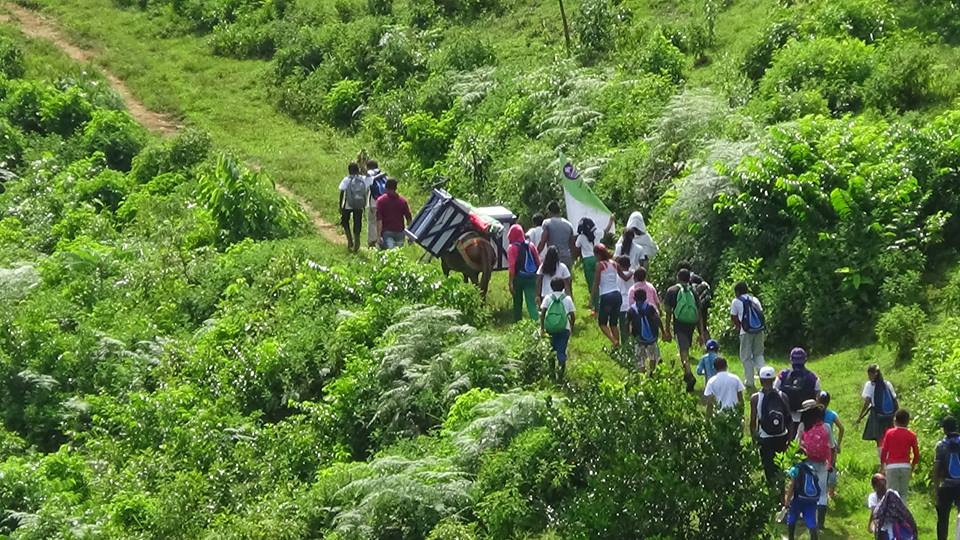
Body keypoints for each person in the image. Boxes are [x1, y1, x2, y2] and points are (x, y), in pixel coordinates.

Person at [664, 268, 705, 392]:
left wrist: (667, 330)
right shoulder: (693, 291)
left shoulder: (672, 290)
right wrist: (701, 333)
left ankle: (688, 374)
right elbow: (699, 313)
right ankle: (686, 374)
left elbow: (668, 312)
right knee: (685, 347)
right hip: (691, 323)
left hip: (679, 324)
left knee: (683, 350)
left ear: (678, 277)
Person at [750, 366, 792, 485]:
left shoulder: (755, 398)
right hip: (781, 436)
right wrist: (789, 439)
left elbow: (753, 421)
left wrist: (754, 440)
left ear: (761, 380)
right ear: (774, 379)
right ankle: (781, 494)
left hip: (765, 438)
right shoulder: (783, 395)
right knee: (780, 467)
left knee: (769, 468)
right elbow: (789, 419)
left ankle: (772, 493)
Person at [797, 400, 834, 530]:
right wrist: (831, 463)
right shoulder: (826, 427)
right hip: (823, 463)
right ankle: (821, 523)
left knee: (807, 491)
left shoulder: (803, 426)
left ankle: (807, 518)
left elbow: (797, 446)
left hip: (807, 463)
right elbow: (832, 446)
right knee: (822, 493)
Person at [775, 347, 821, 438]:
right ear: (805, 360)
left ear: (791, 359)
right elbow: (818, 398)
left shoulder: (782, 375)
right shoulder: (813, 377)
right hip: (806, 418)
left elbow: (775, 391)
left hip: (785, 417)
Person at [730, 281, 766, 389]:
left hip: (745, 332)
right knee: (758, 355)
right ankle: (765, 377)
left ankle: (749, 381)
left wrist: (738, 326)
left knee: (746, 357)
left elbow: (733, 317)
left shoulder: (736, 301)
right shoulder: (755, 299)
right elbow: (760, 313)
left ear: (737, 292)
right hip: (759, 330)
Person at [879, 409, 920, 503]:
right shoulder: (912, 435)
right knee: (903, 494)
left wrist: (882, 465)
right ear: (908, 421)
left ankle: (892, 515)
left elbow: (884, 450)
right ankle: (902, 515)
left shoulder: (889, 433)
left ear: (895, 420)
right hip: (905, 466)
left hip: (891, 466)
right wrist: (912, 466)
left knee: (892, 494)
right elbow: (916, 454)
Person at [857, 364, 898, 456]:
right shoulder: (887, 384)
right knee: (891, 435)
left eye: (869, 375)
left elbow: (867, 401)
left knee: (879, 438)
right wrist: (896, 414)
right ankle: (892, 455)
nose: (869, 377)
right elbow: (894, 399)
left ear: (873, 374)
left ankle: (882, 461)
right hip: (890, 415)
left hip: (877, 414)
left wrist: (860, 416)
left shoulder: (869, 385)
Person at [540, 277, 576, 380]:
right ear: (564, 287)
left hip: (550, 329)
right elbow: (573, 316)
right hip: (564, 329)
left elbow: (542, 314)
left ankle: (551, 374)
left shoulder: (547, 298)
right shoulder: (567, 299)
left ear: (551, 287)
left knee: (551, 351)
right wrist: (571, 327)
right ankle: (561, 375)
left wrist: (542, 328)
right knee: (561, 351)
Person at [784, 453, 823, 540]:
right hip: (812, 499)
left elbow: (791, 485)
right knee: (811, 521)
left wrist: (787, 499)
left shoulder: (796, 469)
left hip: (799, 499)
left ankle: (791, 537)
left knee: (792, 517)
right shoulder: (812, 468)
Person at [868, 473, 918, 540]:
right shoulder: (873, 497)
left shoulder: (892, 494)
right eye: (880, 481)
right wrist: (870, 525)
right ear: (874, 486)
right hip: (881, 524)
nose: (883, 483)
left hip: (895, 522)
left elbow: (900, 508)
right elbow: (874, 513)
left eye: (883, 480)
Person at [506, 224, 541, 322]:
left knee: (517, 302)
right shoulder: (530, 245)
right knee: (532, 302)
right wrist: (538, 278)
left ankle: (518, 323)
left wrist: (511, 282)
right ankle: (537, 322)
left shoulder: (512, 248)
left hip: (519, 278)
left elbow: (512, 267)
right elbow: (538, 262)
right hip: (532, 277)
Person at [934, 416, 960, 540]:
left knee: (943, 519)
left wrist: (936, 487)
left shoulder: (941, 445)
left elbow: (937, 467)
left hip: (946, 486)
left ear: (944, 429)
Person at [591, 244, 622, 349]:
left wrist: (592, 298)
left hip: (607, 295)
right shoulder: (614, 264)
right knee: (613, 323)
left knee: (602, 323)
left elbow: (596, 282)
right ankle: (617, 346)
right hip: (617, 295)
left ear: (598, 254)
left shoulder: (600, 265)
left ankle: (614, 341)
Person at [626, 287, 663, 373]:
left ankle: (642, 374)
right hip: (652, 338)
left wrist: (628, 335)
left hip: (638, 338)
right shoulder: (650, 307)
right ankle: (652, 373)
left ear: (634, 298)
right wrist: (663, 331)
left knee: (640, 359)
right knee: (653, 357)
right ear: (646, 298)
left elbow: (627, 324)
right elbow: (657, 319)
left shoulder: (631, 310)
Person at [339, 162, 371, 252]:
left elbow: (342, 192)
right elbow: (370, 179)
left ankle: (350, 240)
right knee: (357, 223)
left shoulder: (346, 179)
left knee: (345, 221)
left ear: (349, 170)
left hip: (348, 204)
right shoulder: (363, 179)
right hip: (359, 204)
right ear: (358, 170)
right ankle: (357, 242)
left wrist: (340, 206)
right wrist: (364, 171)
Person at [818, 391, 845, 499]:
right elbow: (842, 428)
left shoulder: (814, 414)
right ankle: (831, 492)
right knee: (832, 467)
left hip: (818, 445)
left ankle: (821, 490)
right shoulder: (832, 414)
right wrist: (838, 443)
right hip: (830, 445)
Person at [537, 202, 576, 270]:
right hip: (566, 258)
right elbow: (572, 244)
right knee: (566, 279)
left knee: (551, 279)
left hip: (552, 258)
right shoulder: (569, 224)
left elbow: (543, 242)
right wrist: (572, 259)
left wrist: (536, 254)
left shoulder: (547, 223)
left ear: (549, 212)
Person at [374, 178, 411, 249]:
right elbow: (409, 218)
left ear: (386, 187)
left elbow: (379, 219)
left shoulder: (381, 201)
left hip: (387, 232)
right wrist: (410, 235)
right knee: (398, 254)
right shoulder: (402, 201)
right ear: (396, 188)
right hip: (400, 232)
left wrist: (378, 236)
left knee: (391, 254)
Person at [575, 217, 599, 311]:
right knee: (599, 283)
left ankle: (595, 306)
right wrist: (611, 221)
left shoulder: (581, 237)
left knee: (591, 283)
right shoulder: (597, 233)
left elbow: (576, 245)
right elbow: (606, 230)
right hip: (597, 259)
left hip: (587, 260)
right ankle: (600, 305)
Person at [366, 160, 388, 248]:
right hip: (384, 202)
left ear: (369, 167)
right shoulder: (382, 175)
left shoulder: (369, 173)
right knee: (382, 221)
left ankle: (372, 242)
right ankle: (382, 241)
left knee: (372, 222)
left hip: (374, 202)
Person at [616, 256, 635, 346]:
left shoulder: (617, 276)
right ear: (629, 264)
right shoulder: (634, 274)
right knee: (634, 327)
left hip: (622, 305)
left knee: (623, 328)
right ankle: (635, 345)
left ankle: (625, 347)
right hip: (633, 304)